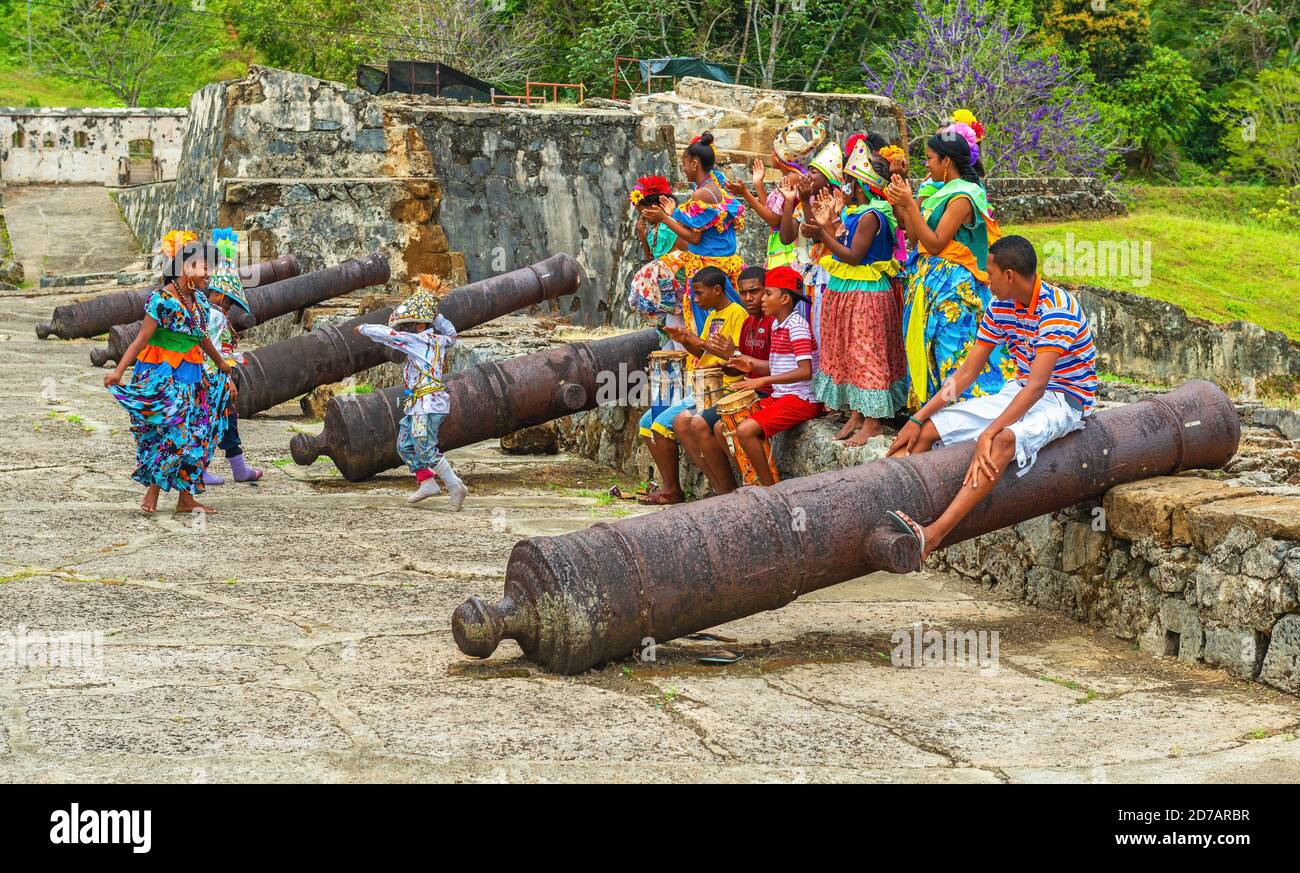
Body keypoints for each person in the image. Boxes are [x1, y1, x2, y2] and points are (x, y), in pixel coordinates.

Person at [884, 235, 1097, 566]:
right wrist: (917, 418)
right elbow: (967, 374)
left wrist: (989, 432)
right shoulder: (1001, 307)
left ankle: (934, 535)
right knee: (926, 432)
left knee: (1002, 441)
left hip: (1062, 398)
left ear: (1009, 275)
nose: (985, 278)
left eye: (990, 272)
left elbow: (1038, 388)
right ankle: (896, 515)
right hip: (1020, 389)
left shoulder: (1057, 310)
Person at [886, 112, 1011, 411]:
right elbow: (913, 235)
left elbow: (936, 242)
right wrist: (902, 197)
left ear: (946, 162)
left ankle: (963, 415)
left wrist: (908, 205)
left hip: (953, 288)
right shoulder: (938, 193)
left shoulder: (963, 197)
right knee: (929, 351)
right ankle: (935, 416)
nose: (926, 164)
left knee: (952, 353)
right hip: (929, 282)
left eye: (930, 158)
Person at [104, 237, 236, 514]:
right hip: (163, 377)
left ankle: (186, 499)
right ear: (187, 266)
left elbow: (201, 339)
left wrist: (223, 367)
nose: (208, 274)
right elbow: (141, 338)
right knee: (175, 437)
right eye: (204, 267)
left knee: (199, 436)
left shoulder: (198, 299)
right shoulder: (162, 299)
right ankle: (153, 488)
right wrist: (118, 371)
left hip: (193, 377)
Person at [808, 139, 908, 445]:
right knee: (846, 348)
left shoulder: (871, 216)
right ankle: (857, 410)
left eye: (850, 182)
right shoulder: (857, 213)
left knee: (867, 352)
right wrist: (830, 223)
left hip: (865, 290)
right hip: (849, 287)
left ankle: (873, 421)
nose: (846, 187)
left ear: (862, 185)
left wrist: (821, 233)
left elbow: (852, 255)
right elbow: (843, 241)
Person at [638, 266, 748, 505]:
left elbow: (736, 356)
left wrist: (696, 340)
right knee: (646, 423)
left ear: (717, 290)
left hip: (722, 386)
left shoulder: (737, 314)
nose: (696, 300)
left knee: (660, 425)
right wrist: (686, 340)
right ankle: (673, 487)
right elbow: (702, 351)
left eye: (699, 294)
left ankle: (686, 490)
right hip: (700, 384)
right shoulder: (713, 315)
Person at [355, 275, 467, 509]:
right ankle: (427, 482)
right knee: (405, 444)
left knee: (425, 447)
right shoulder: (439, 340)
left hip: (425, 406)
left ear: (418, 326)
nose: (403, 330)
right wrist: (438, 316)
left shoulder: (417, 342)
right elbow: (453, 335)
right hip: (420, 404)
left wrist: (364, 328)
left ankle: (455, 485)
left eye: (407, 326)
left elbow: (390, 336)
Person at [638, 131, 747, 339]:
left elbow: (694, 238)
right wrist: (671, 216)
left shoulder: (701, 194)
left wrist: (665, 217)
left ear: (695, 163)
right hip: (721, 262)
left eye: (685, 164)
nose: (684, 170)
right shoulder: (717, 180)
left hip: (707, 266)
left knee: (708, 326)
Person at [676, 265, 773, 496]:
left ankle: (735, 489)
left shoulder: (747, 318)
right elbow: (733, 364)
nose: (748, 298)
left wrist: (730, 355)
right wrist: (687, 341)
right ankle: (722, 487)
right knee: (682, 422)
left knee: (703, 424)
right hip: (738, 387)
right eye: (744, 293)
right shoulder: (747, 322)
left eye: (756, 292)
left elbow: (744, 364)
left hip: (755, 391)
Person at [725, 267, 824, 486]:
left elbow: (805, 371)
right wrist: (748, 363)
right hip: (783, 396)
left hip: (802, 399)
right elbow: (781, 365)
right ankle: (752, 480)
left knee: (745, 429)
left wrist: (762, 380)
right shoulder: (780, 325)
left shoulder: (797, 326)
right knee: (726, 425)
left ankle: (770, 489)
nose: (762, 299)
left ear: (785, 299)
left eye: (768, 293)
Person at [201, 228, 262, 485]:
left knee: (226, 420)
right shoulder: (214, 317)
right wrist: (226, 378)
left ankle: (238, 468)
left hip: (214, 375)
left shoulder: (210, 314)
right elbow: (212, 351)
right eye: (227, 303)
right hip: (214, 377)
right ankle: (202, 468)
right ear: (218, 296)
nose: (227, 309)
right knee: (212, 421)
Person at [629, 175, 680, 261]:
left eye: (644, 213)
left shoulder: (669, 226)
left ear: (656, 206)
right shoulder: (655, 229)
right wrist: (642, 235)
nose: (643, 217)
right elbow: (651, 258)